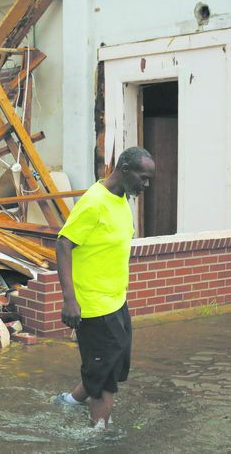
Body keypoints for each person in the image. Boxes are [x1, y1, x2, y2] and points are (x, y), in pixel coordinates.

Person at [53, 146, 155, 428]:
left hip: (116, 302)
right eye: (143, 178)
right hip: (94, 307)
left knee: (114, 363)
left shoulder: (121, 198)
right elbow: (63, 243)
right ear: (124, 169)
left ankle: (70, 401)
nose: (145, 185)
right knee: (105, 377)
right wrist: (69, 300)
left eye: (149, 180)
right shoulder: (94, 202)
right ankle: (98, 434)